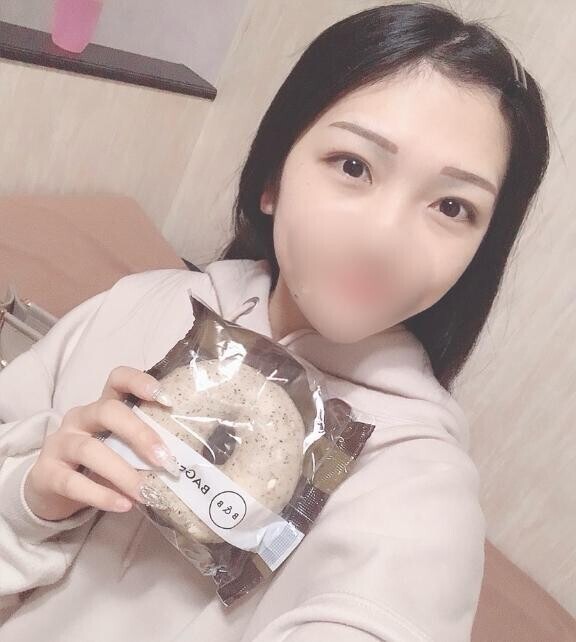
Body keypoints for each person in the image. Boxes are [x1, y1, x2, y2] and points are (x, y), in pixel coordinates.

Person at [0, 2, 550, 640]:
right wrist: (31, 500)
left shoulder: (422, 493)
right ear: (271, 177)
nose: (383, 240)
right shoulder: (133, 305)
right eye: (354, 166)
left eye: (452, 206)